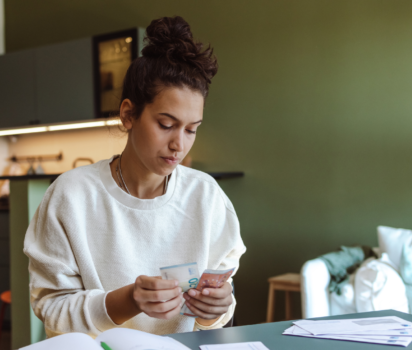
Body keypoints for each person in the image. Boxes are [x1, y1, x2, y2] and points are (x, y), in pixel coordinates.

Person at [24, 16, 246, 338]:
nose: (178, 144)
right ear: (129, 114)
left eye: (191, 129)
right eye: (166, 124)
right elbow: (52, 308)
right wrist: (127, 300)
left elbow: (219, 312)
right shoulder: (70, 196)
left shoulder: (207, 198)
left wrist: (217, 309)